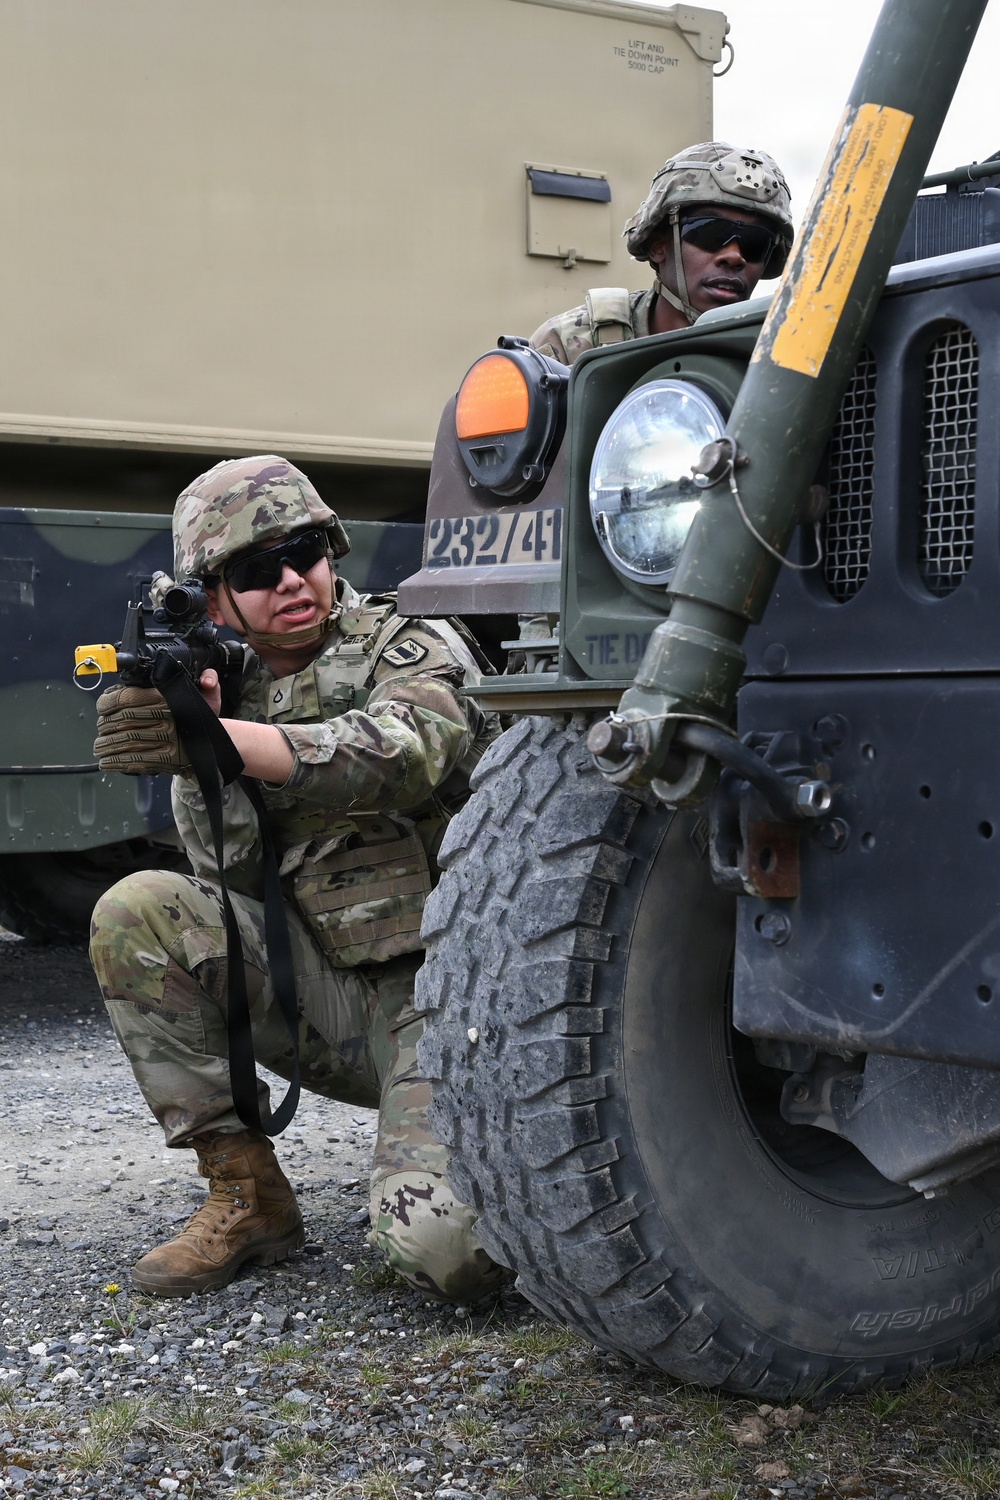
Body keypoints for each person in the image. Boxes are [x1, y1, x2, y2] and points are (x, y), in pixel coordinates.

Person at [88, 455, 505, 1303]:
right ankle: (250, 1198)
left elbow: (402, 756)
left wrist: (227, 740)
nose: (291, 580)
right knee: (139, 911)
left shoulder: (406, 646)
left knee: (447, 1256)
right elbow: (227, 879)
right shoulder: (232, 684)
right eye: (255, 569)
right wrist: (196, 757)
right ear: (216, 599)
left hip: (455, 1002)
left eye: (306, 551)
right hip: (328, 999)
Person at [530, 140, 793, 366]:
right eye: (710, 232)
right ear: (658, 245)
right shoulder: (571, 346)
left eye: (756, 243)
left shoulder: (789, 354)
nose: (735, 256)